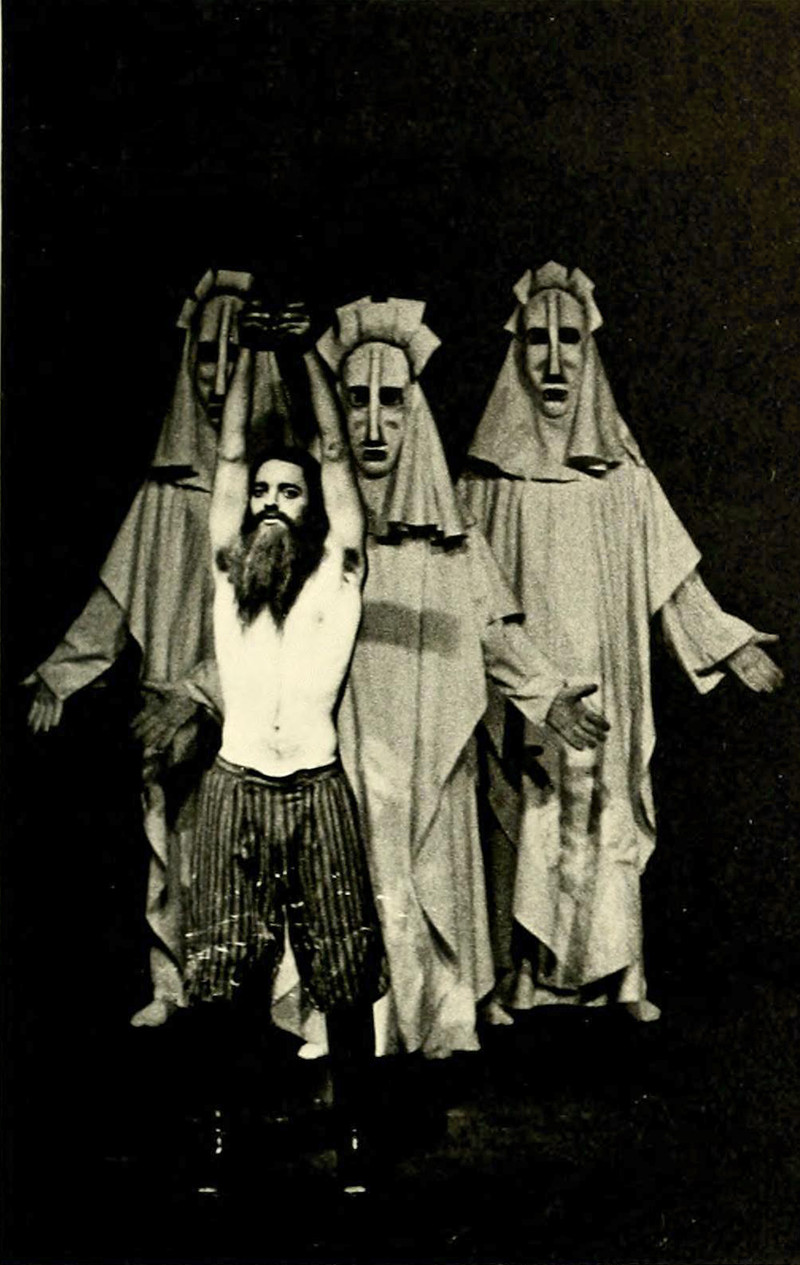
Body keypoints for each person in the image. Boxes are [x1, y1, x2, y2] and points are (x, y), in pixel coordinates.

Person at [269, 296, 608, 1061]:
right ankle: (353, 1024)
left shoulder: (455, 539)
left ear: (412, 410)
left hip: (433, 739)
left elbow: (495, 633)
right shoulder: (318, 539)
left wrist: (548, 694)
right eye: (357, 400)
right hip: (352, 742)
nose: (373, 424)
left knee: (431, 874)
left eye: (391, 401)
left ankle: (438, 1018)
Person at [460, 261, 784, 1024]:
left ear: (590, 348)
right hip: (529, 689)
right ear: (516, 352)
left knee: (606, 810)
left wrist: (727, 643)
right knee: (527, 811)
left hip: (608, 677)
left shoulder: (624, 479)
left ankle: (622, 975)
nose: (553, 360)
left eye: (569, 338)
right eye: (536, 340)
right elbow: (464, 587)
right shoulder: (488, 482)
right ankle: (522, 975)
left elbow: (671, 574)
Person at [25, 268, 303, 1025]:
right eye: (206, 356)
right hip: (172, 704)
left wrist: (203, 692)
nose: (218, 376)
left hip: (246, 704)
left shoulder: (278, 493)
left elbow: (286, 616)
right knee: (175, 846)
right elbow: (117, 597)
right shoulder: (164, 492)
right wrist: (62, 672)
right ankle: (174, 980)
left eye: (235, 356)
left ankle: (260, 996)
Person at [186, 314, 386, 1192]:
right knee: (221, 975)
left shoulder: (340, 573)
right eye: (262, 491)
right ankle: (219, 1135)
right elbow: (229, 455)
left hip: (317, 790)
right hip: (235, 789)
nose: (270, 500)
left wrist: (302, 350)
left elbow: (336, 453)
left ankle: (356, 1135)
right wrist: (250, 351)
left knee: (344, 969)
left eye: (289, 492)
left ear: (314, 511)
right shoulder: (229, 570)